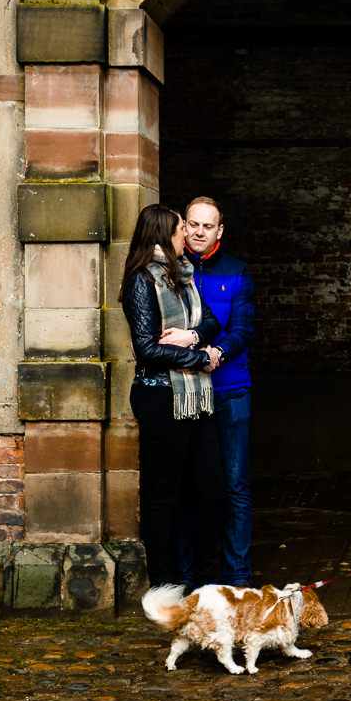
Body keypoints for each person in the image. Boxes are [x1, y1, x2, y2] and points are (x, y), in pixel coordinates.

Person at [119, 203, 224, 589]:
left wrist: (193, 336)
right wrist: (200, 358)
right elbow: (146, 349)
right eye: (182, 228)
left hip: (195, 399)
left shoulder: (185, 276)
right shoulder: (141, 280)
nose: (188, 234)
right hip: (160, 397)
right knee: (165, 496)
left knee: (210, 490)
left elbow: (212, 321)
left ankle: (202, 585)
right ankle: (163, 586)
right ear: (165, 234)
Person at [183, 196, 257, 586]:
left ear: (219, 231)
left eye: (207, 226)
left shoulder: (237, 272)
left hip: (230, 391)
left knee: (235, 487)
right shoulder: (170, 270)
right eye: (193, 224)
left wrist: (217, 351)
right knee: (192, 487)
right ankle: (193, 583)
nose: (198, 231)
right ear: (183, 226)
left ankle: (238, 580)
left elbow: (243, 329)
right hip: (185, 392)